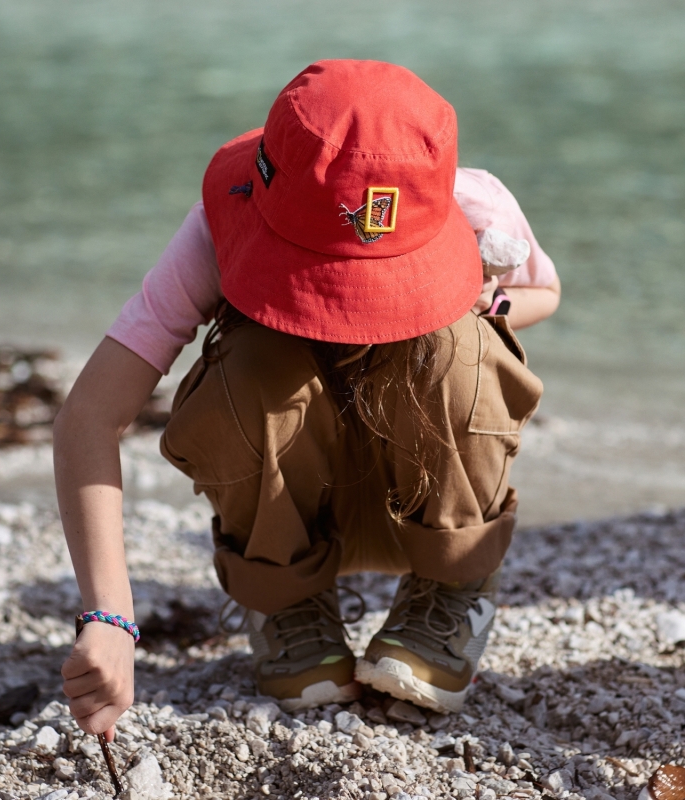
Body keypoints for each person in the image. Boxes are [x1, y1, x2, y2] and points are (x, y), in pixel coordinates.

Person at [54, 59, 561, 741]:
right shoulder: (220, 227)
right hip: (286, 500)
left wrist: (484, 299)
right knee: (255, 361)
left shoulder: (477, 207)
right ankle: (285, 602)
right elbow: (90, 415)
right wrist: (110, 618)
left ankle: (452, 588)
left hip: (429, 480)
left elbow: (543, 292)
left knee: (459, 344)